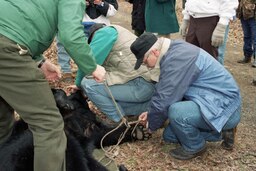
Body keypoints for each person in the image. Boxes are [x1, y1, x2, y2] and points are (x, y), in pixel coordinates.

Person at [0, 1, 106, 171]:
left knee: (2, 118)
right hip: (6, 51)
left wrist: (40, 61)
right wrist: (92, 67)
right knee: (48, 125)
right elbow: (71, 36)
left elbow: (21, 23)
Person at [130, 33, 241, 160]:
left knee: (176, 113)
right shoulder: (175, 49)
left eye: (144, 61)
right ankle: (221, 133)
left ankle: (195, 146)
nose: (146, 65)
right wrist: (150, 114)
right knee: (169, 136)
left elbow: (165, 98)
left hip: (225, 108)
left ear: (154, 52)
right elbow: (166, 92)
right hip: (214, 101)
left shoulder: (176, 60)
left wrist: (150, 125)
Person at [71, 24, 158, 124]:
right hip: (148, 85)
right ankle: (151, 111)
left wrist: (79, 84)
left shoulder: (104, 33)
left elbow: (88, 62)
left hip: (139, 84)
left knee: (88, 84)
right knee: (107, 101)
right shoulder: (119, 32)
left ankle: (118, 121)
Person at [57, 0, 118, 82]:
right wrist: (81, 3)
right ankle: (65, 71)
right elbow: (67, 7)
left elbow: (112, 12)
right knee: (64, 43)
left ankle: (91, 74)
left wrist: (100, 3)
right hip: (80, 24)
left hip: (100, 27)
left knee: (96, 51)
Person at [236, 0, 256, 67]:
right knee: (247, 37)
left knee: (255, 38)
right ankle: (247, 57)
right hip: (243, 14)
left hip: (253, 16)